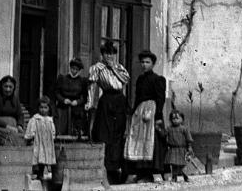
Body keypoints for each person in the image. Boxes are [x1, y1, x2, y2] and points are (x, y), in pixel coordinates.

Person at [87, 41, 130, 184]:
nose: (109, 56)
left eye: (112, 53)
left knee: (119, 134)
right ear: (102, 54)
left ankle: (117, 168)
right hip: (106, 101)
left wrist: (113, 69)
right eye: (106, 53)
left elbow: (125, 80)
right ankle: (104, 168)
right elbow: (92, 88)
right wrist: (90, 104)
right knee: (104, 133)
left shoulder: (120, 68)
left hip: (119, 101)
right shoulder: (97, 68)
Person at [124, 49, 166, 182]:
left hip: (152, 112)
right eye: (142, 62)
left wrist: (158, 116)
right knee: (139, 140)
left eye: (147, 62)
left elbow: (160, 99)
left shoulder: (158, 79)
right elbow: (137, 97)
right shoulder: (140, 79)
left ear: (153, 64)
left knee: (153, 140)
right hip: (140, 112)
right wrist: (133, 111)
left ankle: (152, 172)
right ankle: (141, 172)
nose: (144, 65)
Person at [54, 58, 89, 138]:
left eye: (77, 69)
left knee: (76, 128)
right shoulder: (62, 78)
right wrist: (63, 100)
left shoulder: (82, 81)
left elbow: (84, 96)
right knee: (61, 129)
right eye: (73, 68)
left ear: (79, 70)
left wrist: (77, 102)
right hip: (63, 107)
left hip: (76, 108)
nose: (74, 71)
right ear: (70, 68)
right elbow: (57, 93)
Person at [25, 96, 57, 181]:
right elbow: (32, 129)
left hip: (46, 143)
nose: (43, 110)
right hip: (38, 142)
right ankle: (36, 173)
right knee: (37, 157)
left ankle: (42, 173)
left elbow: (52, 130)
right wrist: (31, 136)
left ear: (49, 108)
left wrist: (52, 137)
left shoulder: (50, 120)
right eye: (41, 107)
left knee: (44, 158)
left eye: (45, 107)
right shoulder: (35, 119)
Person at [0, 75, 25, 145]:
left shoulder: (15, 99)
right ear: (1, 86)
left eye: (10, 87)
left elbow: (20, 114)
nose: (8, 89)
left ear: (14, 88)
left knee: (23, 138)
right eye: (6, 86)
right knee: (11, 138)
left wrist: (20, 125)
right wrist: (7, 126)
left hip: (13, 127)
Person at [164, 110, 194, 182]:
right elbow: (164, 135)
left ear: (182, 119)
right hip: (173, 149)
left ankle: (186, 177)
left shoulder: (184, 129)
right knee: (174, 165)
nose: (175, 120)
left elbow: (188, 138)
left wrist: (189, 147)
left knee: (183, 164)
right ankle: (174, 177)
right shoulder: (169, 128)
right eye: (173, 118)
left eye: (177, 118)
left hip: (182, 149)